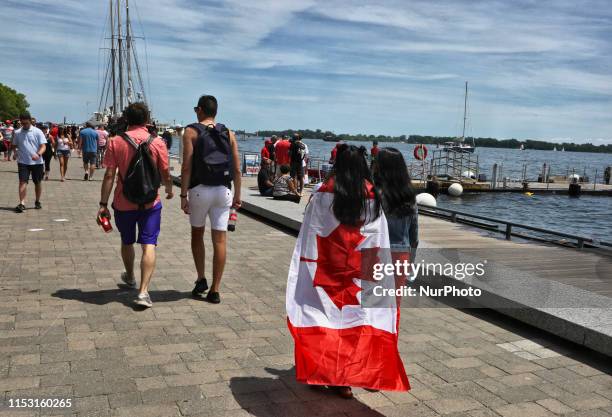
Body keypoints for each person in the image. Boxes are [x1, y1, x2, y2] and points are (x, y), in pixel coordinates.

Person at [286, 144, 409, 398]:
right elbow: (378, 239)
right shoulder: (373, 196)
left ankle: (322, 374)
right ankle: (347, 378)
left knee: (320, 318)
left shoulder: (322, 192)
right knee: (355, 323)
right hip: (358, 272)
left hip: (325, 267)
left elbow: (311, 231)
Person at [98, 102, 173, 309]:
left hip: (124, 202)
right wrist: (169, 189)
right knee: (149, 244)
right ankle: (143, 292)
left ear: (126, 119)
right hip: (150, 202)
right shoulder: (158, 142)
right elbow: (165, 173)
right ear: (147, 119)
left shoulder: (115, 142)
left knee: (127, 241)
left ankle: (130, 276)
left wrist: (103, 204)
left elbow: (109, 175)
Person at [180, 95, 241, 304]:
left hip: (199, 190)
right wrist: (238, 196)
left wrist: (183, 194)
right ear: (215, 111)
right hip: (223, 191)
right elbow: (237, 169)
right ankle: (215, 289)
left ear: (199, 110)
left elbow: (186, 166)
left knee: (197, 235)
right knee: (220, 240)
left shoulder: (191, 131)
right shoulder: (228, 133)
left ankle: (201, 279)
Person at [373, 147, 419, 270]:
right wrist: (411, 260)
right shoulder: (409, 196)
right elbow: (414, 235)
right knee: (397, 290)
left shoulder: (374, 194)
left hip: (376, 253)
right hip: (401, 253)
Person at [12, 113, 47, 213]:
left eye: (26, 123)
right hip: (23, 162)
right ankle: (22, 203)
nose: (24, 125)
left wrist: (38, 154)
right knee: (22, 182)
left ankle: (37, 201)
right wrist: (15, 153)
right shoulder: (18, 132)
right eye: (22, 123)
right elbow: (14, 145)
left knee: (37, 182)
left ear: (30, 121)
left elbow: (43, 146)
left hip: (37, 162)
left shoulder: (37, 131)